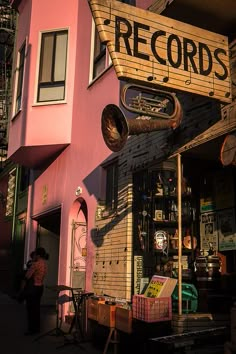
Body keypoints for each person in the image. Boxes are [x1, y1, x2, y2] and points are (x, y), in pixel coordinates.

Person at [23, 247, 49, 335]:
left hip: (33, 288)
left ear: (37, 255)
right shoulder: (44, 264)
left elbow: (27, 276)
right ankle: (37, 328)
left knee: (30, 309)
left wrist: (32, 262)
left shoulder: (35, 264)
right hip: (40, 287)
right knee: (37, 308)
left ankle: (31, 329)